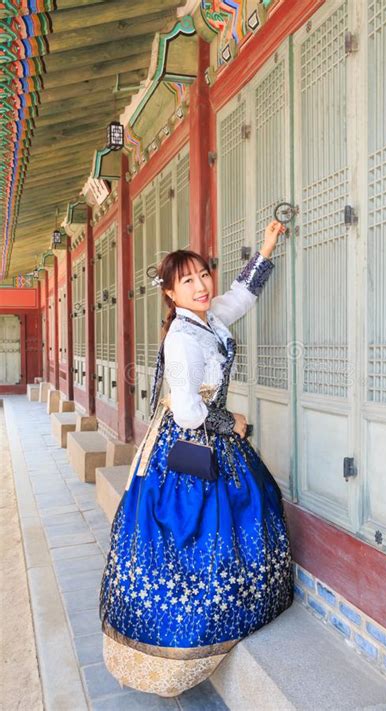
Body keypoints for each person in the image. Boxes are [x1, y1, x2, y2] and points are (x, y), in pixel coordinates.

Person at [99, 219, 294, 697]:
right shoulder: (182, 337)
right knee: (191, 533)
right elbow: (187, 413)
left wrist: (266, 247)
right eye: (187, 281)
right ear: (169, 293)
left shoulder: (208, 317)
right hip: (190, 442)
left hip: (210, 432)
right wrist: (234, 423)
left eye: (203, 275)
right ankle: (185, 638)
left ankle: (239, 602)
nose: (202, 285)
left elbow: (241, 296)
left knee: (239, 513)